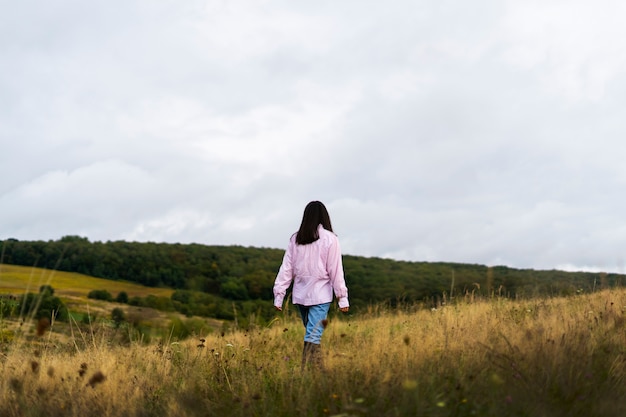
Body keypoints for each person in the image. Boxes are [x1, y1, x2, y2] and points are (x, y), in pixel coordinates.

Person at [273, 201, 349, 370]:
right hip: (320, 295)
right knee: (313, 335)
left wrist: (279, 295)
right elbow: (336, 270)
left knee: (312, 334)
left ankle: (317, 373)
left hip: (301, 296)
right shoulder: (330, 239)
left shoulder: (297, 238)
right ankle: (308, 374)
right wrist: (342, 298)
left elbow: (286, 269)